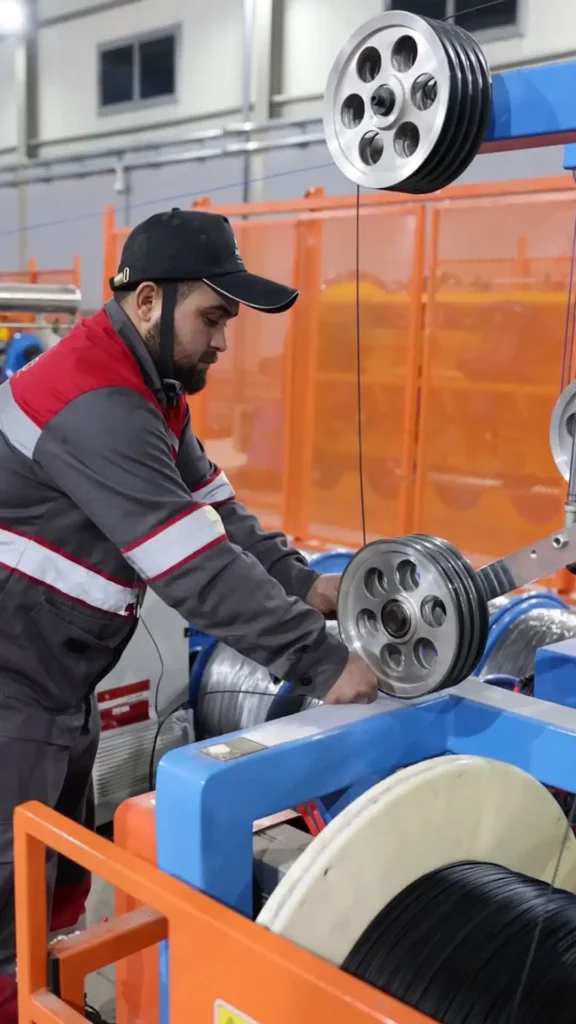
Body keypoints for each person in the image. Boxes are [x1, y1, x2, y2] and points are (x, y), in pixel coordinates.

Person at [0, 208, 378, 1021]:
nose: (222, 341)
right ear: (147, 302)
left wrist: (320, 588)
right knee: (6, 906)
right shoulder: (95, 400)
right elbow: (192, 567)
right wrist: (321, 662)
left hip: (58, 683)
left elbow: (222, 521)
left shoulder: (152, 393)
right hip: (11, 689)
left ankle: (50, 997)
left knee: (60, 877)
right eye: (212, 317)